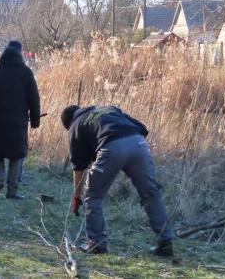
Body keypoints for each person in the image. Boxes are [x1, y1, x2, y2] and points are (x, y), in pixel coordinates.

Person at [61, 105, 174, 256]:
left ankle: (96, 244)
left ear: (68, 124)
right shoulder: (107, 109)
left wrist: (76, 196)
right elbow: (140, 127)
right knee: (150, 192)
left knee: (93, 195)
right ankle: (165, 242)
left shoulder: (75, 125)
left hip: (112, 146)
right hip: (138, 143)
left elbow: (79, 167)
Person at [0, 40, 40, 199]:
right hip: (18, 121)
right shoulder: (26, 72)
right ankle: (12, 191)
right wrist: (35, 120)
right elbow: (34, 98)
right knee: (16, 156)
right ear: (20, 55)